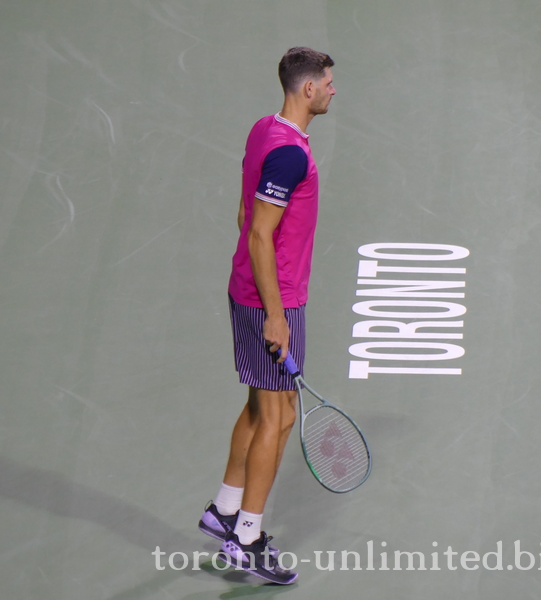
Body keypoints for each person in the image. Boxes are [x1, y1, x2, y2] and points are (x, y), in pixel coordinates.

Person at [198, 47, 336, 585]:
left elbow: (244, 214)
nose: (331, 89)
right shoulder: (291, 156)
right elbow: (260, 232)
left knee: (259, 407)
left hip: (249, 289)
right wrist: (276, 315)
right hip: (271, 299)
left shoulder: (264, 130)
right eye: (327, 82)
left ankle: (224, 508)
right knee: (278, 419)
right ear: (308, 90)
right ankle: (247, 538)